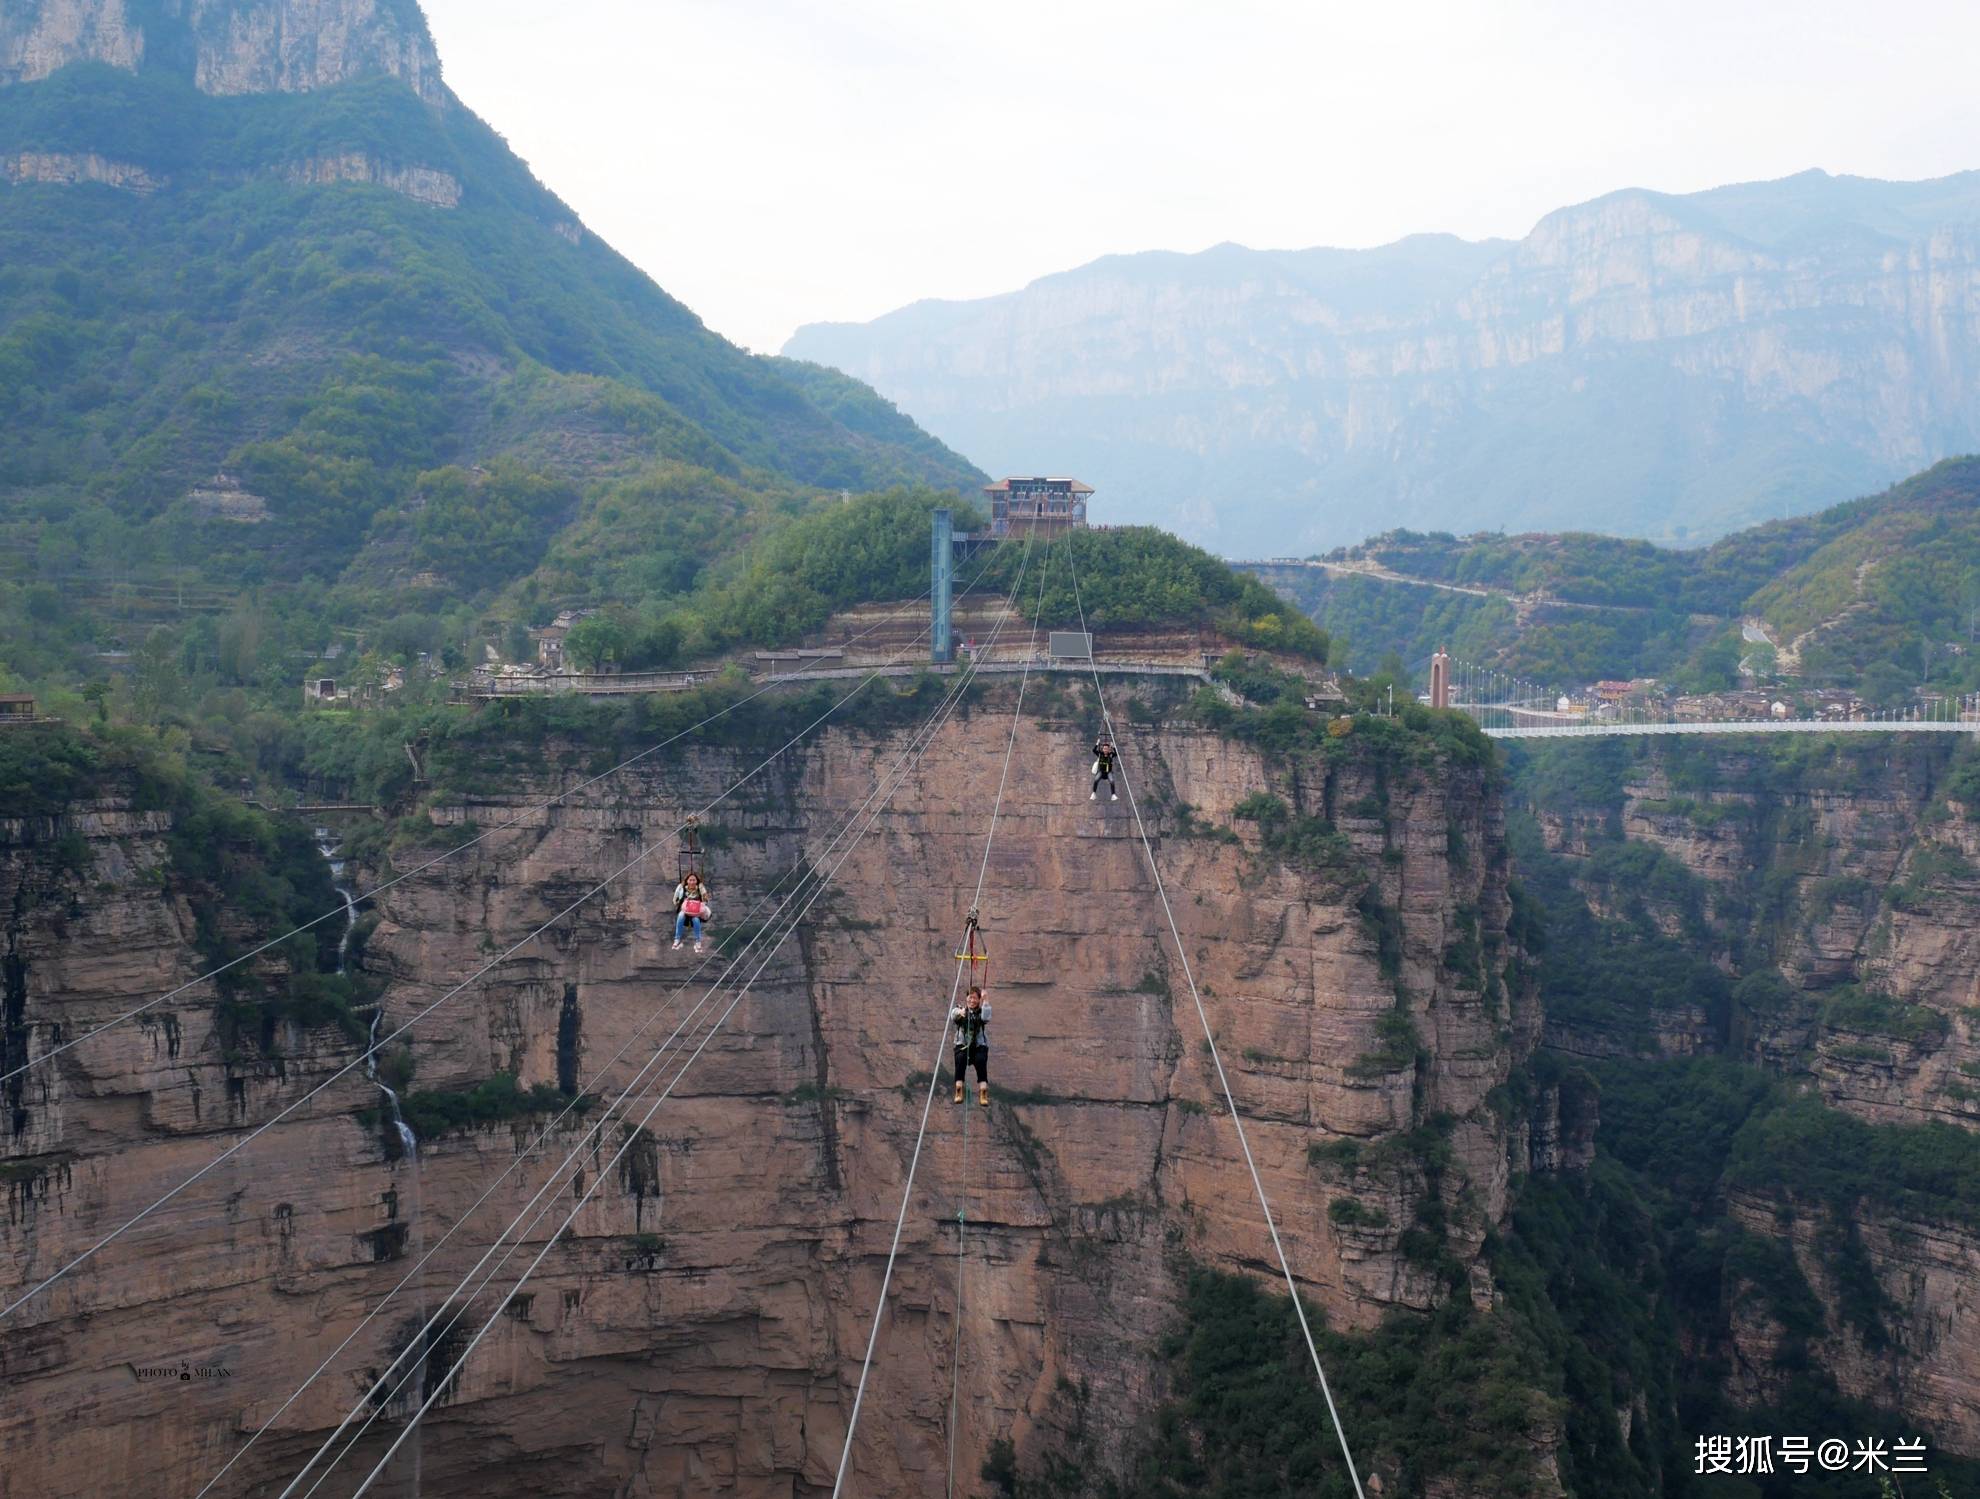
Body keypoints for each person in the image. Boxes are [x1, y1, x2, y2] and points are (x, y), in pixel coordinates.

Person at [951, 986, 990, 1107]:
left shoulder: (981, 1013)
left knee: (981, 1060)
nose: (972, 1000)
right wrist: (961, 1012)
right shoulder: (961, 1010)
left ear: (979, 1000)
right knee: (960, 1059)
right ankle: (958, 1088)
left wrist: (986, 999)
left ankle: (983, 1091)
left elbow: (986, 1016)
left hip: (978, 1046)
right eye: (970, 997)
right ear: (967, 998)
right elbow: (953, 1014)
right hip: (963, 1045)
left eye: (975, 998)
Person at [672, 871, 712, 953]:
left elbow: (705, 899)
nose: (692, 882)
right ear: (687, 881)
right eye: (690, 880)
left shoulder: (700, 889)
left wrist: (702, 888)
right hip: (685, 910)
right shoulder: (682, 889)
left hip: (696, 912)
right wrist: (680, 901)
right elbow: (675, 900)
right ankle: (677, 940)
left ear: (696, 881)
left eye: (694, 880)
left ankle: (698, 942)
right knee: (680, 916)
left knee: (696, 920)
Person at [1091, 737, 1118, 801]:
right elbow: (1094, 750)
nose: (1105, 750)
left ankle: (1113, 795)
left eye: (1107, 749)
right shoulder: (1100, 754)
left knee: (1112, 781)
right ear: (1102, 749)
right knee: (1096, 780)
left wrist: (1113, 746)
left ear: (1109, 749)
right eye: (1104, 749)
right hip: (1101, 772)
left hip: (1108, 772)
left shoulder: (1111, 755)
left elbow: (1116, 753)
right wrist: (1097, 744)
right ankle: (1094, 793)